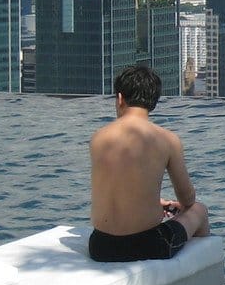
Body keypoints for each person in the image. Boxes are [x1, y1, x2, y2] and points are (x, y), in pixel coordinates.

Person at [89, 65, 210, 262]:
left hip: (100, 246)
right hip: (148, 245)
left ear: (120, 98)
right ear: (153, 102)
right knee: (199, 210)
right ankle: (200, 276)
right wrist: (171, 206)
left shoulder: (98, 138)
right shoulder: (167, 140)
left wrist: (152, 203)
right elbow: (188, 199)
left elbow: (115, 186)